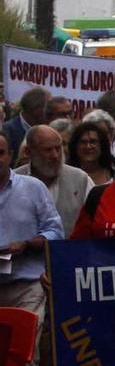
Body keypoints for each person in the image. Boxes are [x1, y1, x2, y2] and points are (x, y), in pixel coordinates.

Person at [0, 129, 63, 362]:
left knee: (24, 354)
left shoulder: (33, 188)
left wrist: (27, 244)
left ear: (11, 155)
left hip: (27, 286)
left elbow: (55, 231)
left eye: (1, 153)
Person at [15, 126, 94, 236]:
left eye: (58, 148)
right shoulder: (14, 181)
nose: (55, 156)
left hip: (72, 251)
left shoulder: (80, 179)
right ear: (29, 152)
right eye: (47, 150)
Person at [3, 87, 50, 161]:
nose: (51, 111)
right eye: (49, 107)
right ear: (37, 110)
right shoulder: (7, 131)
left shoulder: (50, 129)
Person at [68, 122, 115, 186]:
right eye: (83, 142)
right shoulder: (66, 174)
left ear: (102, 145)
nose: (88, 146)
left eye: (93, 142)